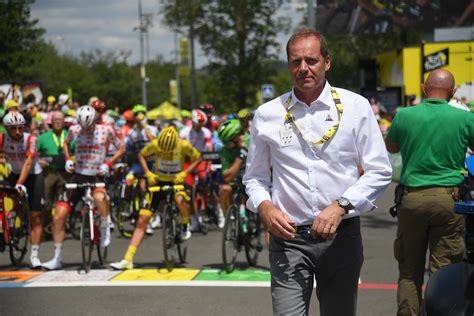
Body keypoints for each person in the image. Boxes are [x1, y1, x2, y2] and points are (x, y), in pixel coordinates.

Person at [243, 27, 392, 315]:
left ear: (327, 62)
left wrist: (340, 206)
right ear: (288, 65)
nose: (303, 69)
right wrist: (264, 207)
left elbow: (379, 170)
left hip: (341, 237)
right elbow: (255, 177)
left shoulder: (355, 107)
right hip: (289, 240)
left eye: (311, 60)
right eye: (295, 62)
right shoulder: (267, 114)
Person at [385, 68, 474, 316]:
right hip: (450, 199)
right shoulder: (465, 119)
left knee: (409, 271)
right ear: (454, 92)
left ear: (424, 89)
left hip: (412, 198)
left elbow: (390, 146)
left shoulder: (405, 116)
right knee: (444, 270)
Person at [42, 105, 125, 270]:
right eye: (83, 127)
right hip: (78, 175)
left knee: (100, 198)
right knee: (59, 216)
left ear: (95, 120)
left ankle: (104, 225)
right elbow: (66, 144)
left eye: (89, 126)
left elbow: (121, 148)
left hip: (97, 174)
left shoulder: (106, 130)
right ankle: (57, 257)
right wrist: (67, 159)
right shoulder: (74, 129)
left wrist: (109, 163)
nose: (86, 130)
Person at [110, 126, 202, 270]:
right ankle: (128, 259)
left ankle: (185, 224)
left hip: (176, 181)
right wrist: (148, 173)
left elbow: (198, 158)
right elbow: (141, 155)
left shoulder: (183, 145)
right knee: (142, 220)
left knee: (180, 200)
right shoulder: (155, 144)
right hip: (158, 181)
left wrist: (185, 173)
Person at [0, 112, 45, 268]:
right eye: (13, 128)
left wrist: (19, 183)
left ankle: (34, 255)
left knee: (36, 216)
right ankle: (11, 220)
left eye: (20, 127)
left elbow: (28, 163)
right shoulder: (2, 138)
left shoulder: (30, 139)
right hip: (14, 173)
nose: (18, 131)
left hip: (33, 175)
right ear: (6, 128)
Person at [37, 111, 69, 237]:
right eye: (55, 119)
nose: (58, 122)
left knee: (64, 201)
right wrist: (39, 161)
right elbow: (33, 154)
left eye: (60, 119)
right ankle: (45, 228)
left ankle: (60, 227)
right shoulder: (43, 137)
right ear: (51, 121)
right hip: (49, 173)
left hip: (65, 173)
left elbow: (76, 151)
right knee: (46, 202)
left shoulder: (69, 135)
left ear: (64, 121)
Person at [216, 119, 247, 227]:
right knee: (224, 189)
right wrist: (240, 157)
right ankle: (227, 218)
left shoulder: (251, 142)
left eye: (227, 142)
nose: (225, 145)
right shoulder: (224, 150)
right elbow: (227, 176)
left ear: (237, 137)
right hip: (236, 179)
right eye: (223, 142)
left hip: (252, 180)